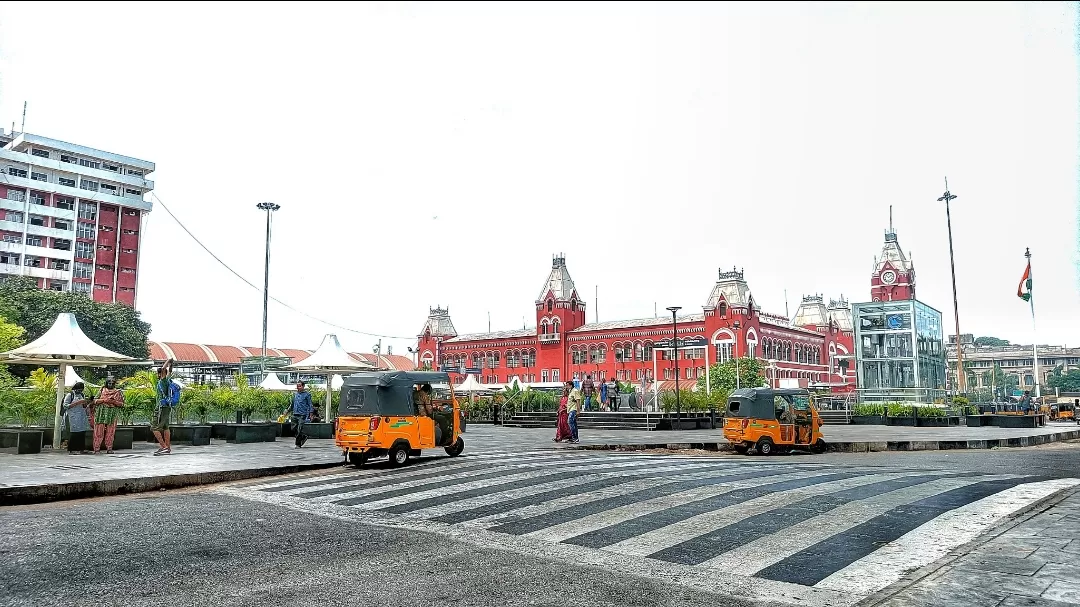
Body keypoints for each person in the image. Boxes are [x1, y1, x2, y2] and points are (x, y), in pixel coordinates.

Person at [93, 376, 125, 454]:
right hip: (101, 413)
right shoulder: (102, 390)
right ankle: (97, 449)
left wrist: (114, 402)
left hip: (112, 414)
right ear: (106, 383)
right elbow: (95, 400)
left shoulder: (118, 392)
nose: (110, 384)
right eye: (109, 383)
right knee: (98, 431)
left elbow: (122, 404)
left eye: (112, 383)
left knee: (111, 432)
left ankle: (109, 448)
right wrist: (104, 400)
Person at [152, 359, 176, 456]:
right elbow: (169, 371)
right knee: (166, 427)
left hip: (161, 407)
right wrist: (171, 364)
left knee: (154, 427)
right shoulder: (169, 380)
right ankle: (168, 447)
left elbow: (163, 369)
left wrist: (168, 361)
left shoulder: (163, 381)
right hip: (167, 406)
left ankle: (164, 447)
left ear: (160, 374)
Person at [62, 382, 92, 455]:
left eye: (81, 390)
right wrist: (78, 402)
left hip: (81, 416)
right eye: (78, 390)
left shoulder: (82, 395)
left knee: (82, 433)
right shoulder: (70, 395)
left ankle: (81, 448)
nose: (79, 391)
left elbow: (84, 406)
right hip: (73, 417)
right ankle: (72, 449)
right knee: (74, 433)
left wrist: (86, 402)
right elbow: (65, 406)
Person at [289, 381, 314, 448]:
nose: (298, 387)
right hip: (294, 414)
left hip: (302, 415)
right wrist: (287, 411)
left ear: (303, 386)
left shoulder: (307, 394)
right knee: (293, 429)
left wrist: (311, 414)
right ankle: (303, 436)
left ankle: (298, 444)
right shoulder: (295, 394)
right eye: (297, 386)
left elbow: (310, 405)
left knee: (299, 429)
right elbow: (292, 404)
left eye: (299, 386)